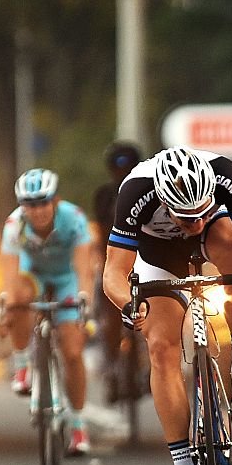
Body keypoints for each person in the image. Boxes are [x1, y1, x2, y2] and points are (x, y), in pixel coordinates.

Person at [102, 147, 232, 465]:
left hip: (218, 238)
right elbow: (113, 275)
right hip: (158, 256)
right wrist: (131, 306)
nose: (194, 221)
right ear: (164, 201)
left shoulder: (223, 173)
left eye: (200, 212)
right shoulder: (136, 191)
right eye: (185, 216)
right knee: (161, 349)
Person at [0, 168, 94, 456]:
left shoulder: (74, 218)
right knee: (18, 296)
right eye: (30, 204)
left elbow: (83, 268)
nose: (37, 210)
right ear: (22, 206)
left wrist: (83, 298)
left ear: (55, 200)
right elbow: (10, 275)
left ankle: (77, 425)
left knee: (73, 352)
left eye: (42, 202)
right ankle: (23, 363)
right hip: (33, 275)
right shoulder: (14, 225)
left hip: (66, 278)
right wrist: (9, 304)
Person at [93, 141, 142, 404]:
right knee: (108, 318)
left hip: (145, 264)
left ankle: (145, 361)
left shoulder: (150, 192)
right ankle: (111, 366)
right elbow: (101, 234)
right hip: (113, 262)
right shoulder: (104, 196)